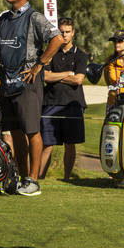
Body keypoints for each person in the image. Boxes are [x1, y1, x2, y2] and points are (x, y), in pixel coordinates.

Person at [0, 0, 64, 196]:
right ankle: (21, 178)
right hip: (6, 82)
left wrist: (40, 65)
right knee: (14, 132)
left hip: (27, 82)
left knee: (32, 130)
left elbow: (58, 39)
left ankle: (33, 180)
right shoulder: (4, 19)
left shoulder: (35, 17)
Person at [38, 17, 88, 180]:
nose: (64, 35)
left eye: (67, 32)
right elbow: (44, 76)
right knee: (47, 143)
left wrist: (56, 76)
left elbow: (78, 80)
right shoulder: (50, 52)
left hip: (72, 104)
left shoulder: (81, 55)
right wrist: (68, 74)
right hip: (50, 102)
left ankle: (66, 177)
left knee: (70, 143)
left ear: (73, 33)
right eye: (61, 32)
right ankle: (39, 177)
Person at [103, 31, 124, 105]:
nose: (116, 44)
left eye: (120, 41)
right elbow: (108, 83)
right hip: (113, 103)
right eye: (115, 41)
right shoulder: (109, 61)